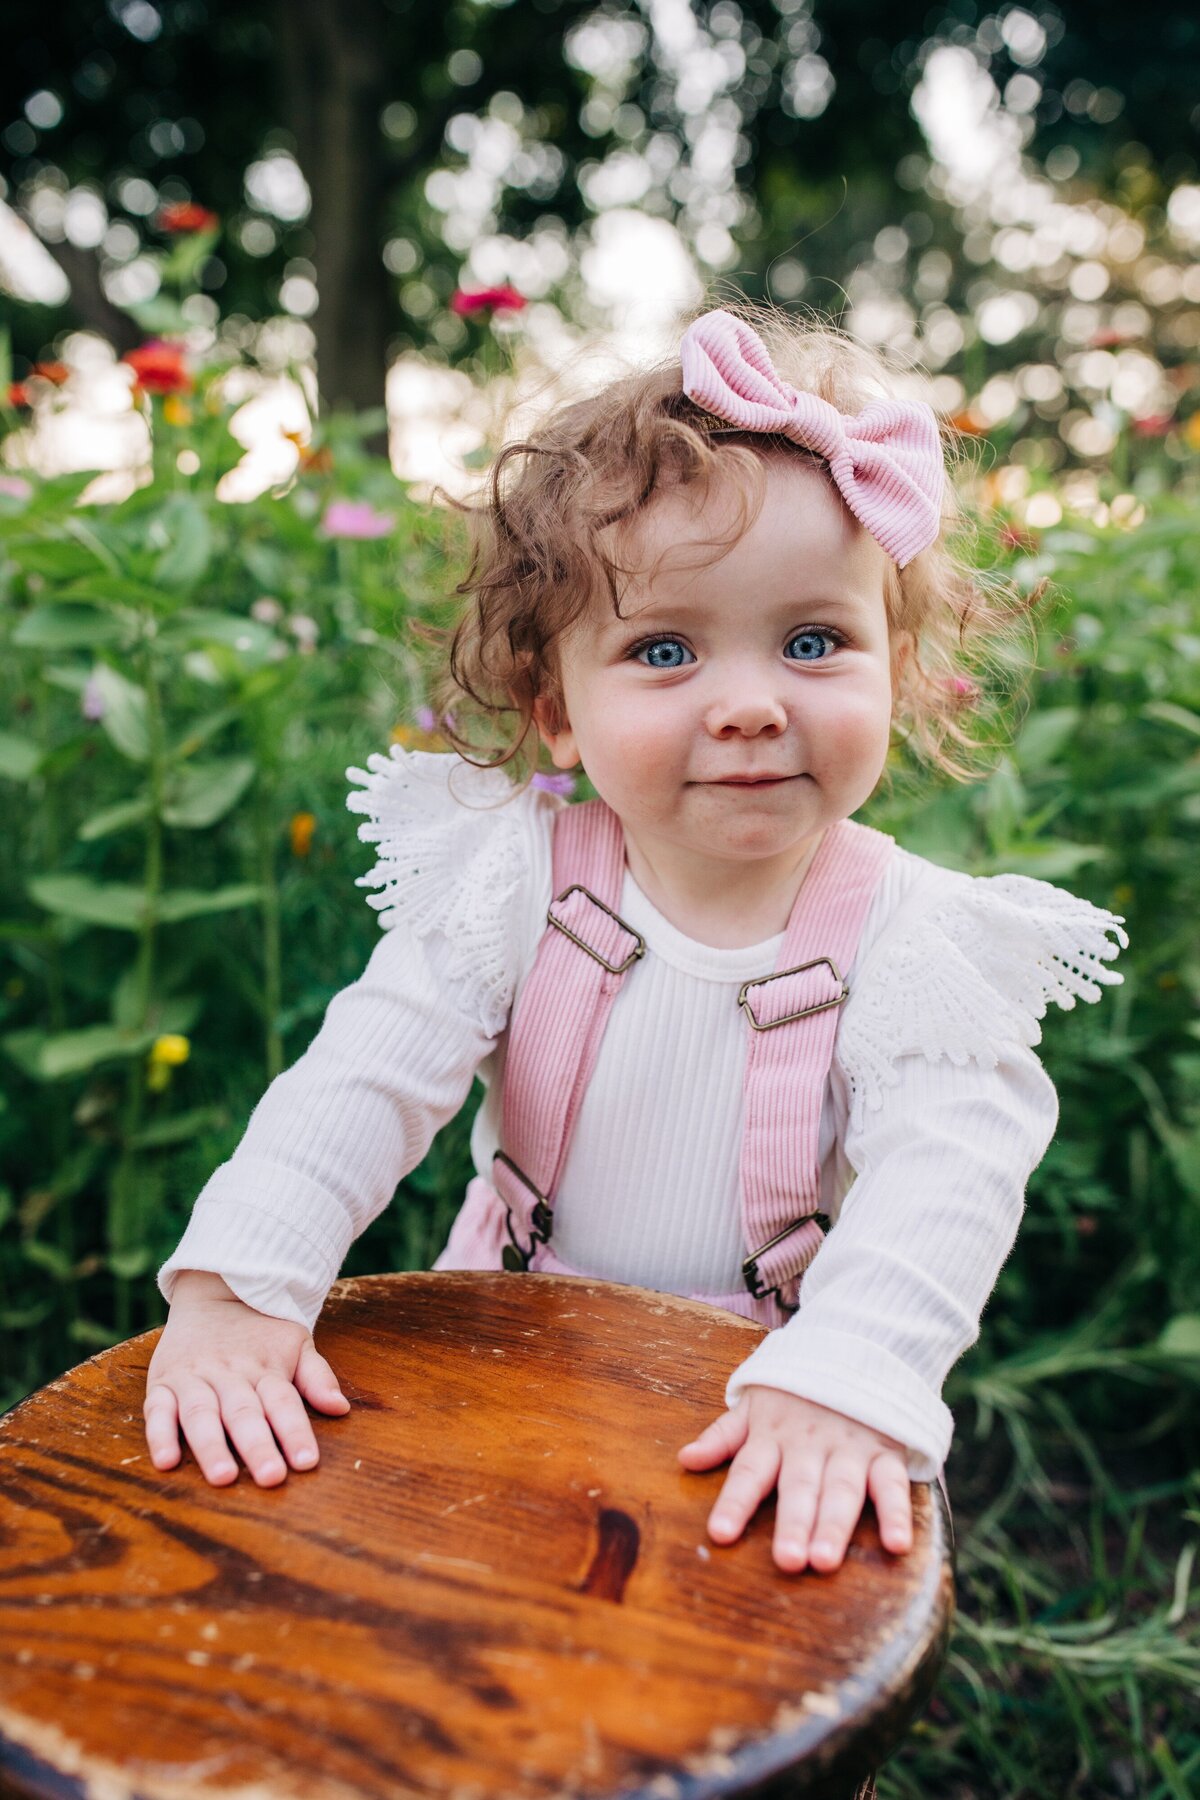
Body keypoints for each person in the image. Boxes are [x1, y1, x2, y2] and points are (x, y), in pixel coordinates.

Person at [147, 304, 1128, 1577]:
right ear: (557, 708)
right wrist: (240, 1285)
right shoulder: (512, 885)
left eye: (814, 642)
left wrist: (852, 1371)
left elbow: (948, 1182)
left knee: (761, 1651)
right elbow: (362, 1078)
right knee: (471, 1609)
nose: (749, 706)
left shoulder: (912, 942)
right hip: (511, 1338)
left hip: (773, 1383)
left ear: (899, 666)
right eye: (664, 649)